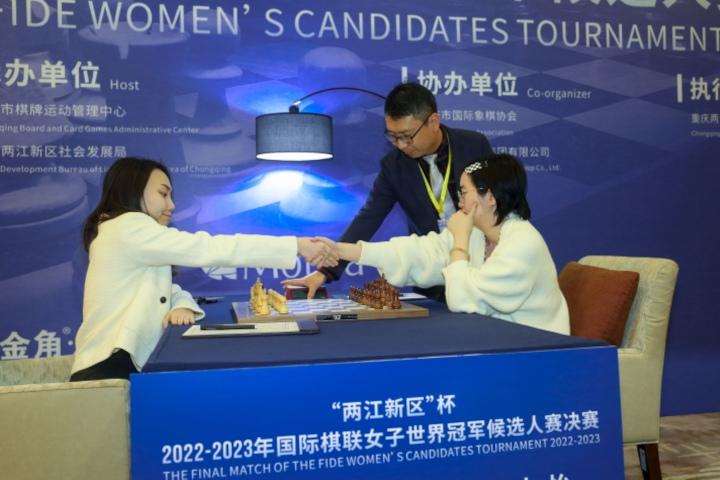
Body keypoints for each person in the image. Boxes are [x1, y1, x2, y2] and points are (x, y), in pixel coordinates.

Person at [70, 157, 338, 381]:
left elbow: (163, 289)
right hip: (108, 369)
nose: (172, 205)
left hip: (116, 363)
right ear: (133, 190)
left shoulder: (123, 231)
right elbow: (208, 248)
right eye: (163, 194)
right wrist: (294, 246)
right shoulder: (129, 227)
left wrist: (182, 305)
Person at [282, 82, 493, 300]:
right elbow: (368, 218)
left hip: (483, 266)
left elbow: (500, 203)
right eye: (393, 136)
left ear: (433, 122)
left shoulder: (473, 146)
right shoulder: (394, 166)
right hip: (433, 275)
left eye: (407, 136)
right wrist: (324, 273)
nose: (401, 145)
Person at [318, 154, 570, 335]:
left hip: (537, 347)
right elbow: (419, 252)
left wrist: (460, 240)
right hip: (496, 338)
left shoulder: (523, 243)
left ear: (490, 197)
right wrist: (342, 250)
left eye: (464, 192)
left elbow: (464, 298)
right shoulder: (477, 233)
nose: (459, 202)